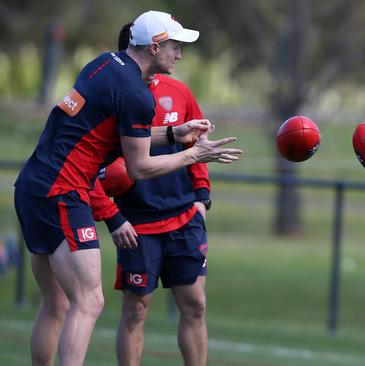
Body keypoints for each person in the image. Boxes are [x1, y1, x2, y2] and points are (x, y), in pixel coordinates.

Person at [14, 10, 243, 366]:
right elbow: (140, 167)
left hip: (32, 186)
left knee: (56, 302)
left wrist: (172, 133)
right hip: (63, 191)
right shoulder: (137, 93)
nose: (179, 55)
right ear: (154, 47)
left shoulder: (105, 64)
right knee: (89, 301)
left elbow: (116, 134)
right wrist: (195, 155)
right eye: (174, 46)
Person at [88, 22, 212, 365]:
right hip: (138, 224)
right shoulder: (114, 95)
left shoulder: (179, 91)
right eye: (173, 46)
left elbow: (198, 146)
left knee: (195, 305)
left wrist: (202, 197)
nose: (179, 54)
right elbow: (93, 162)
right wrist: (112, 216)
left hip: (184, 218)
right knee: (135, 311)